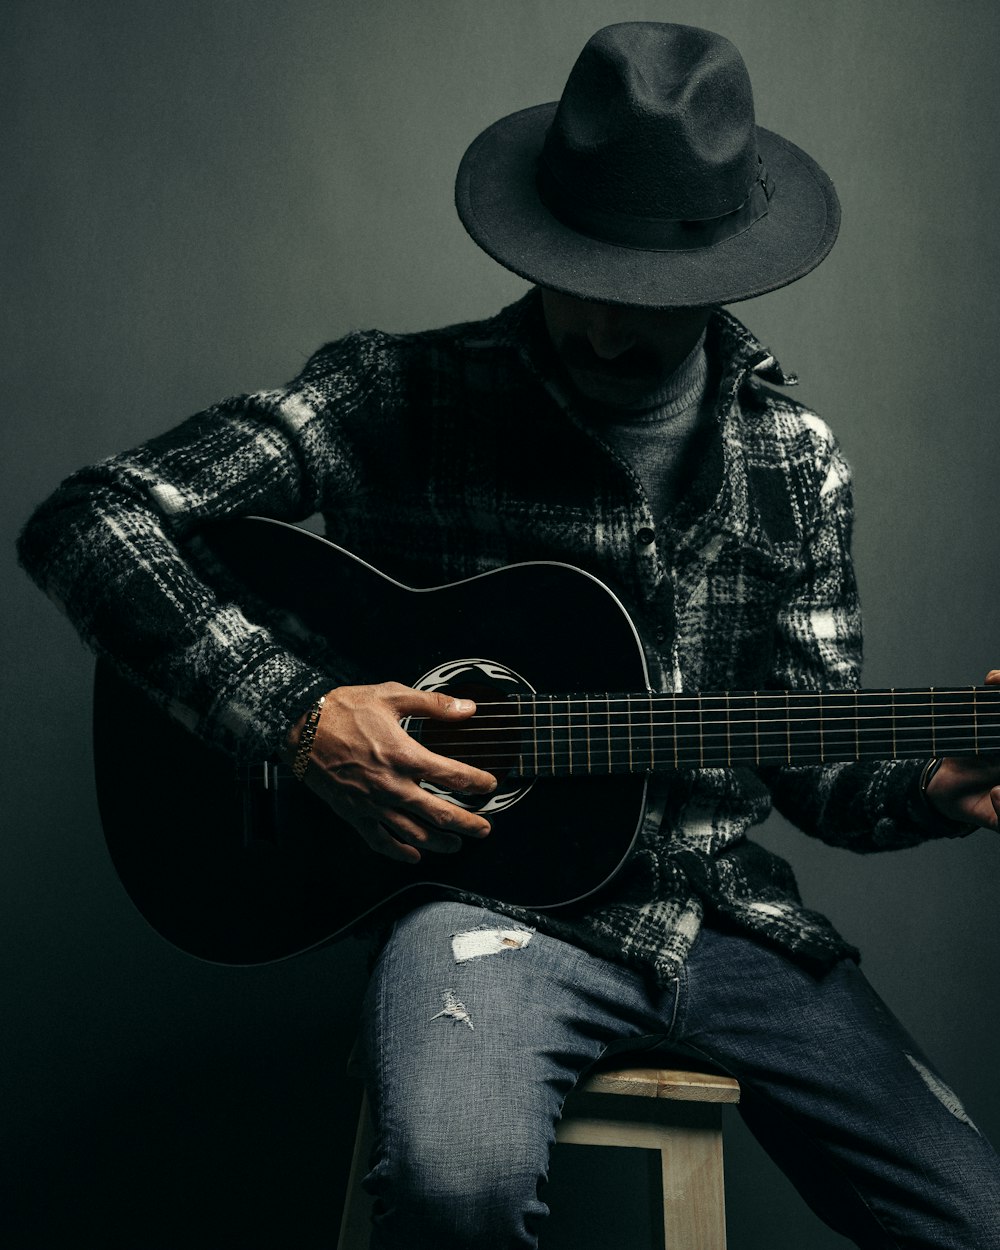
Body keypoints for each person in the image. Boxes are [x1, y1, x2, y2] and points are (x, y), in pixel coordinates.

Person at [17, 21, 1000, 1249]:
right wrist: (296, 712)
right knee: (455, 1180)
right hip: (488, 917)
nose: (596, 323)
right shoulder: (396, 394)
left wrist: (925, 782)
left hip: (730, 917)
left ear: (727, 270)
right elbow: (91, 518)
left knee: (975, 1215)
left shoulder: (796, 463)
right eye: (573, 274)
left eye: (641, 294)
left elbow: (820, 758)